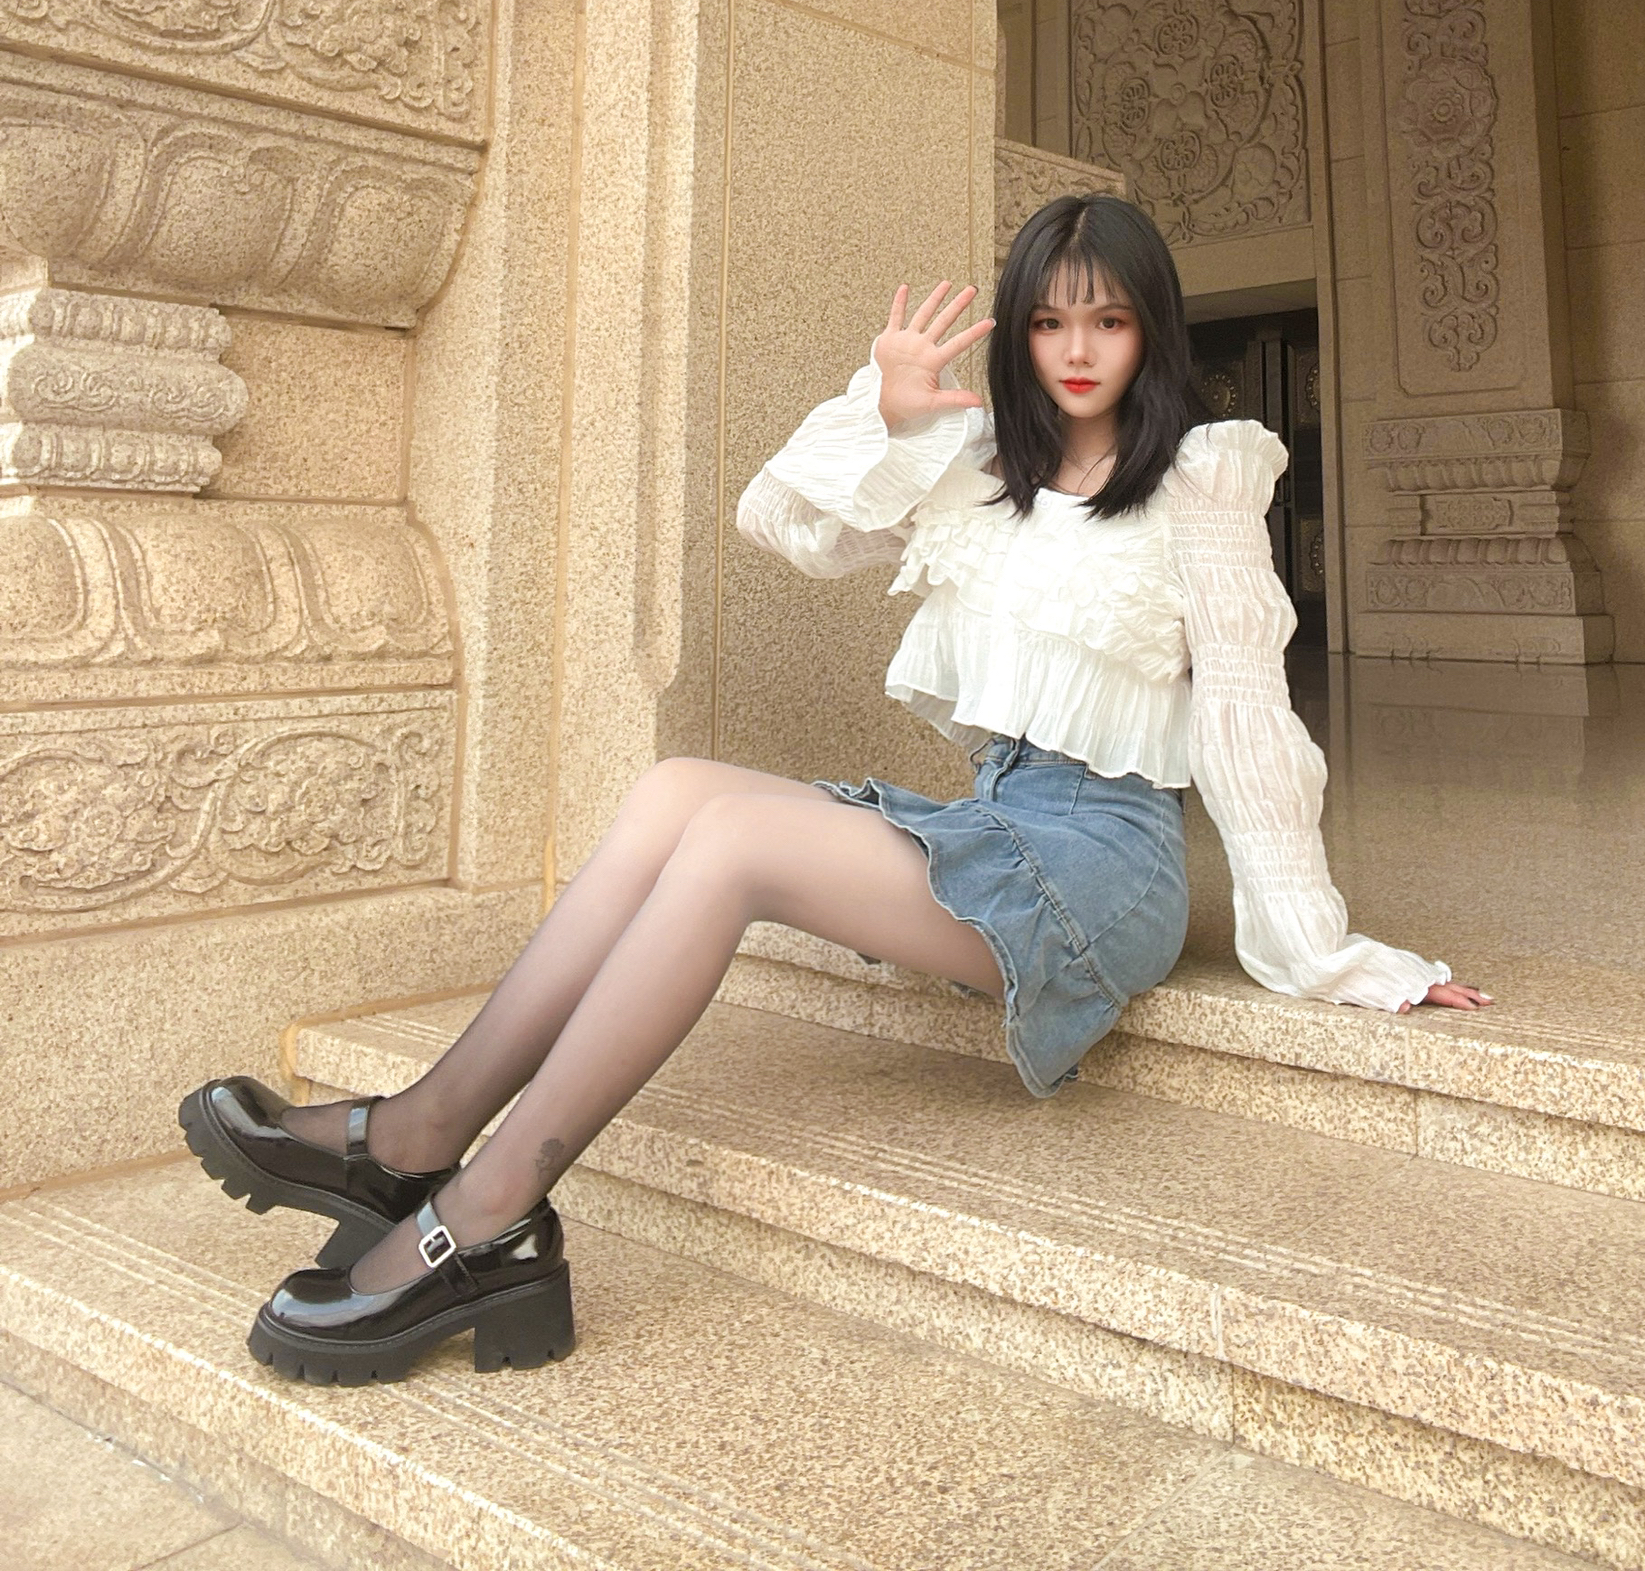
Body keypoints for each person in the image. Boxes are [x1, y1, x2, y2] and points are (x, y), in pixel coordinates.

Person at [179, 195, 1486, 1386]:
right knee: (675, 788)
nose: (1077, 349)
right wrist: (888, 413)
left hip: (1108, 863)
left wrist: (1326, 953)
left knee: (732, 842)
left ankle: (491, 1211)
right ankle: (421, 1133)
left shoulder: (1203, 482)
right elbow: (783, 527)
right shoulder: (980, 464)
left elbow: (1251, 725)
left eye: (1108, 319)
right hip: (1001, 816)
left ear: (1153, 328)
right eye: (1047, 321)